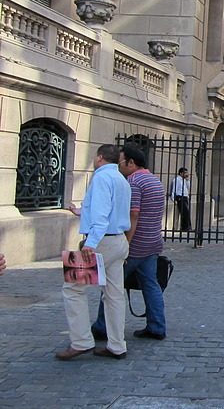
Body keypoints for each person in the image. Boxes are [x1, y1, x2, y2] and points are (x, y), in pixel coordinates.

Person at [58, 144, 131, 361]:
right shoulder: (121, 179)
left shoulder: (100, 178)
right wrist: (81, 211)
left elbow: (101, 216)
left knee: (72, 288)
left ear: (99, 157)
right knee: (114, 294)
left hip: (101, 243)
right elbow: (109, 209)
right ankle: (117, 345)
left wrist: (90, 244)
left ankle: (81, 341)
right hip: (119, 241)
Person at [93, 143, 167, 341]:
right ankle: (157, 325)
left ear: (131, 162)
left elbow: (133, 215)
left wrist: (126, 243)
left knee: (111, 285)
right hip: (153, 242)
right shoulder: (154, 181)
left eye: (121, 162)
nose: (119, 166)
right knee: (151, 285)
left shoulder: (134, 182)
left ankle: (102, 326)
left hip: (135, 245)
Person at [170, 167, 191, 233]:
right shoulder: (177, 179)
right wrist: (174, 199)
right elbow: (174, 190)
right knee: (186, 212)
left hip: (185, 197)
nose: (186, 174)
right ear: (180, 173)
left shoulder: (184, 180)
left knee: (185, 213)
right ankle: (188, 227)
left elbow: (188, 187)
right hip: (180, 197)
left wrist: (187, 180)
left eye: (186, 173)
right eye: (184, 173)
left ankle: (184, 227)